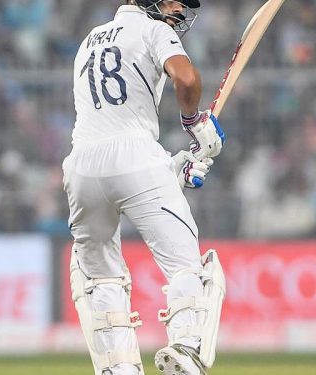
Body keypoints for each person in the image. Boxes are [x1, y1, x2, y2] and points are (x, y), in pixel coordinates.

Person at [62, 1, 226, 375]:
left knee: (100, 277)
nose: (180, 10)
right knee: (187, 265)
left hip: (82, 166)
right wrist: (194, 123)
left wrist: (170, 168)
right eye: (174, 0)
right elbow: (185, 79)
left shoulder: (89, 40)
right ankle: (186, 348)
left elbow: (110, 128)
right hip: (136, 157)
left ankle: (119, 368)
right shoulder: (154, 30)